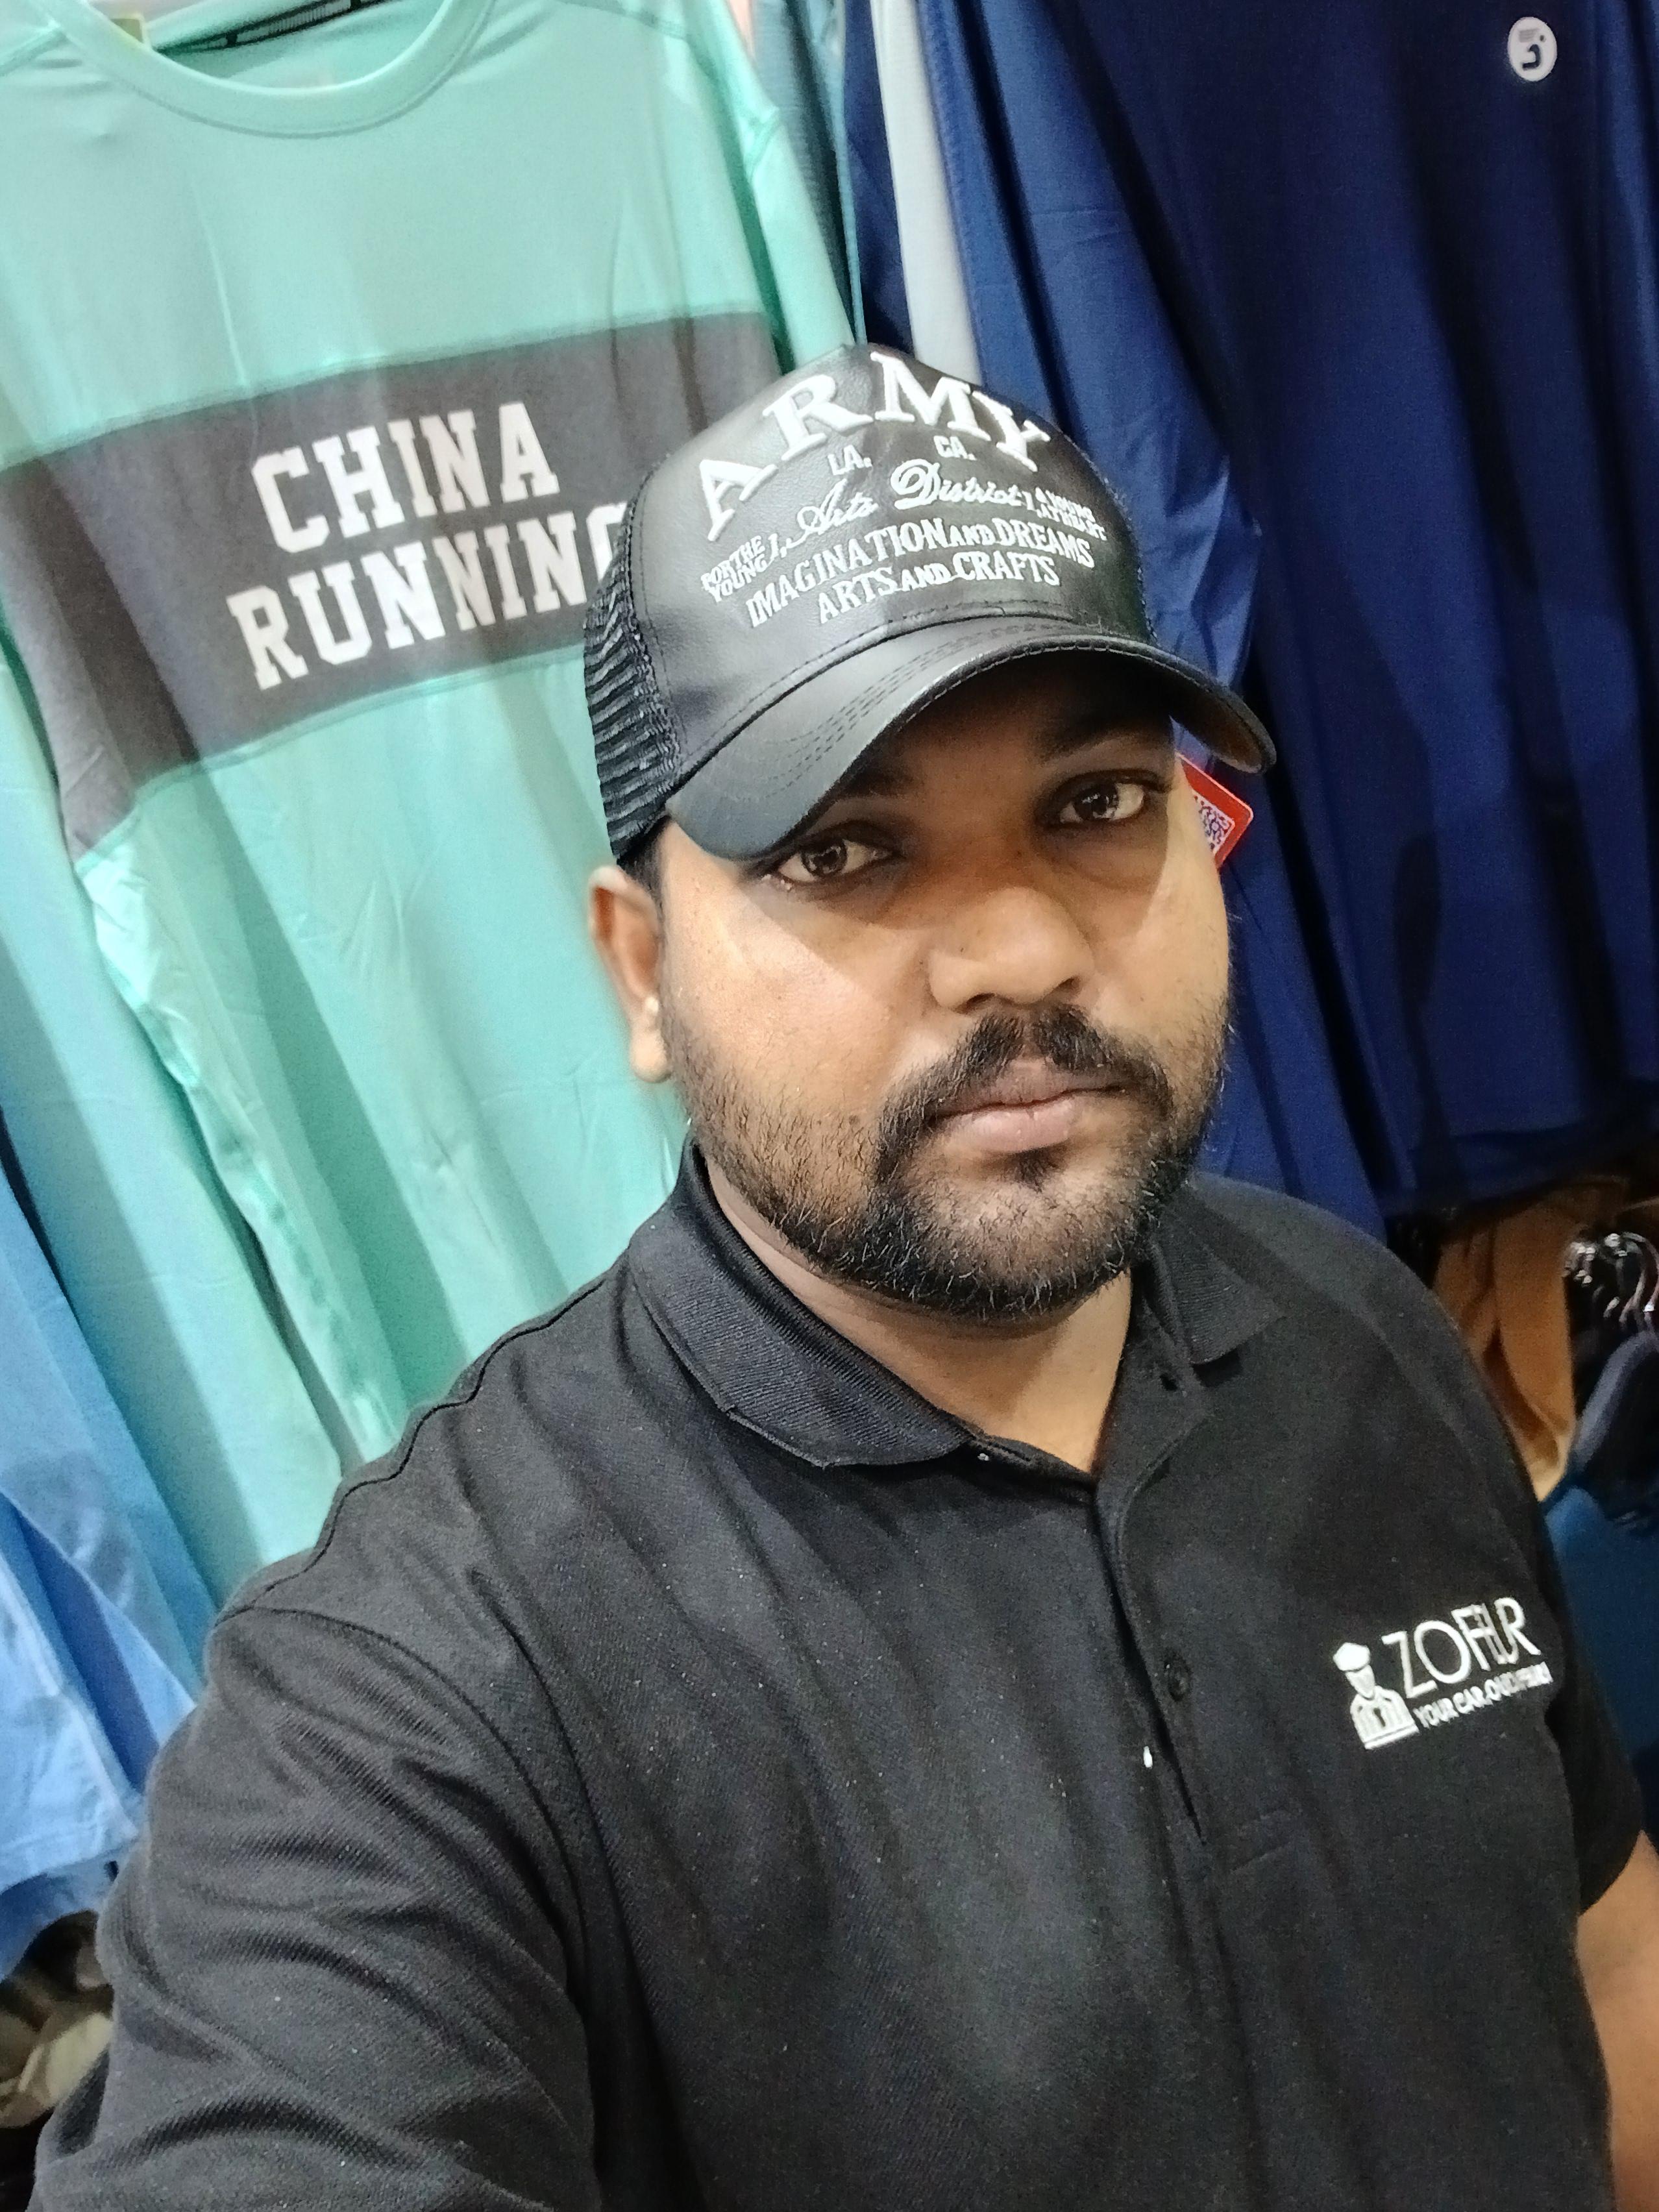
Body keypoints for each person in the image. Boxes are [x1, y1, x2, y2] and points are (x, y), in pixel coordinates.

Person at [34, 346, 1659, 2210]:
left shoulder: (1355, 1327)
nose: (1020, 949)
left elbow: (1602, 1962)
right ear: (640, 970)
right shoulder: (425, 1687)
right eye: (845, 848)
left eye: (1095, 806)